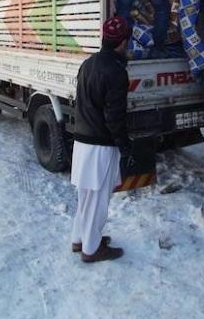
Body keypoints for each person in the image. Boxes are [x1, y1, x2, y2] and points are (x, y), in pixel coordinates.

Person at [71, 16, 132, 262]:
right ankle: (91, 249)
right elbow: (115, 116)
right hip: (100, 145)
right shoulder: (116, 72)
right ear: (123, 42)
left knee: (85, 196)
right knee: (98, 199)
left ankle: (79, 239)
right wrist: (125, 145)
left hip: (82, 142)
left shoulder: (88, 63)